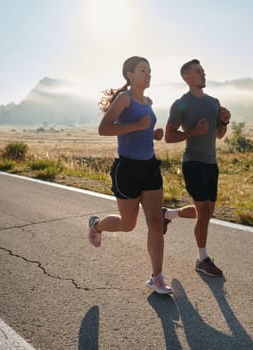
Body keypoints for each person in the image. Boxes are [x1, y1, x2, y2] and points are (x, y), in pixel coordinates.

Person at [87, 56, 173, 294]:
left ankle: (157, 277)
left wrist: (151, 134)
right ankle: (96, 226)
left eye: (150, 70)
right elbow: (104, 129)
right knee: (128, 225)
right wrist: (138, 127)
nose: (148, 74)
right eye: (142, 70)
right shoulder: (124, 98)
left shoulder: (148, 101)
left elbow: (142, 129)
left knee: (155, 221)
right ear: (129, 75)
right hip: (127, 169)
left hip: (149, 167)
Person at [164, 59, 231, 277]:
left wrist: (224, 122)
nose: (203, 74)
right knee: (203, 211)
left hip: (211, 164)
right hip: (192, 162)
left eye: (203, 70)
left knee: (207, 212)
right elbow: (169, 136)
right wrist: (193, 131)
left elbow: (218, 135)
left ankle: (169, 214)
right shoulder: (181, 103)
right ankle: (202, 259)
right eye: (198, 71)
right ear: (187, 77)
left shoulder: (214, 102)